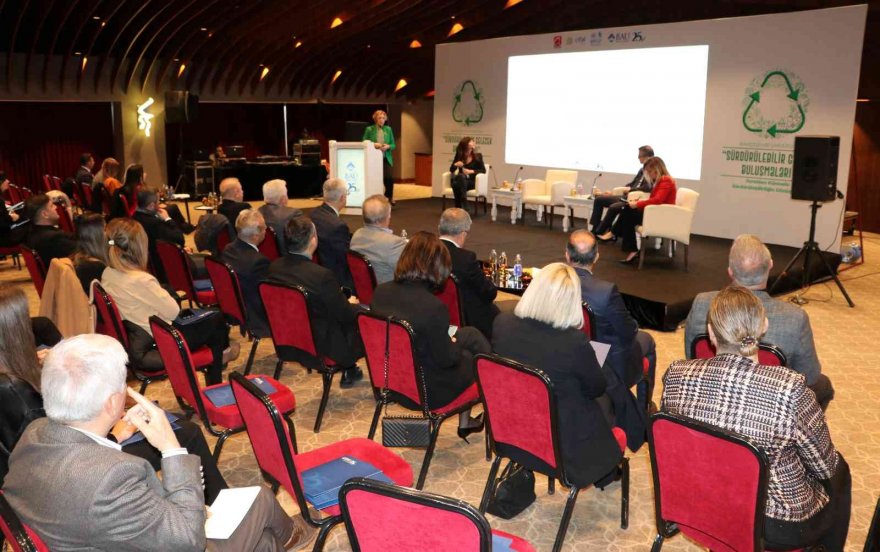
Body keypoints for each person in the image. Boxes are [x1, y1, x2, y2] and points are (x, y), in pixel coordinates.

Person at [3, 333, 314, 550]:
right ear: (113, 403)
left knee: (264, 543)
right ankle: (295, 534)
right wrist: (170, 448)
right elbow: (189, 541)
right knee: (260, 499)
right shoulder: (110, 477)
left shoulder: (35, 434)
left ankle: (281, 540)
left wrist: (114, 436)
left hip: (87, 537)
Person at [0, 286, 229, 504]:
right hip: (83, 468)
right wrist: (114, 436)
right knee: (187, 431)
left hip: (66, 459)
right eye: (24, 319)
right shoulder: (17, 391)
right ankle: (222, 504)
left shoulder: (9, 376)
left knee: (172, 423)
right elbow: (58, 454)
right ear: (14, 331)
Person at [663, 286, 850, 551]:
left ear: (711, 333)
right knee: (840, 470)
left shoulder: (676, 375)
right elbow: (824, 467)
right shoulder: (790, 389)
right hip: (773, 523)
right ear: (764, 326)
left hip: (701, 501)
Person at [492, 263, 623, 487]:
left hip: (511, 428)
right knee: (606, 398)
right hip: (561, 446)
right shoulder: (574, 342)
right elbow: (596, 388)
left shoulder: (502, 323)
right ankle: (606, 466)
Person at [684, 234, 834, 409]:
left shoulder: (702, 303)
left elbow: (691, 359)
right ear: (770, 266)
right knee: (823, 385)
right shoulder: (795, 317)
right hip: (767, 404)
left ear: (730, 271)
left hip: (710, 392)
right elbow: (809, 376)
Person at [371, 231, 489, 439]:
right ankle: (496, 396)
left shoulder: (380, 292)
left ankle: (468, 421)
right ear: (438, 267)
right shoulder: (433, 307)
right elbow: (447, 359)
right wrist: (453, 342)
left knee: (469, 336)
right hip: (429, 392)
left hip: (392, 382)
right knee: (472, 357)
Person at [100, 218, 238, 385]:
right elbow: (173, 311)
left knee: (210, 319)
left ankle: (218, 361)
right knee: (216, 319)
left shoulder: (107, 274)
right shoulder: (140, 279)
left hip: (139, 338)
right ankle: (219, 366)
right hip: (160, 342)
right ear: (139, 247)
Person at [565, 229, 654, 450]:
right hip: (606, 362)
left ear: (567, 254)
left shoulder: (555, 285)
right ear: (596, 256)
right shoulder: (605, 292)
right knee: (648, 341)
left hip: (569, 353)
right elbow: (627, 332)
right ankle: (642, 407)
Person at [268, 216, 364, 387]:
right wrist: (354, 305)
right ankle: (350, 367)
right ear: (313, 240)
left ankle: (350, 369)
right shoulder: (321, 276)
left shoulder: (274, 267)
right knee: (362, 316)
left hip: (287, 337)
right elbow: (345, 315)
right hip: (322, 345)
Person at [600, 156, 677, 263]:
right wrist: (637, 202)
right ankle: (621, 239)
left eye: (650, 171)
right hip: (657, 212)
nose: (649, 174)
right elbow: (656, 199)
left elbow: (658, 200)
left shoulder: (666, 180)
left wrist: (637, 204)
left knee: (627, 211)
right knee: (627, 209)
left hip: (661, 215)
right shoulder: (661, 180)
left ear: (657, 169)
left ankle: (618, 236)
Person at [438, 208, 499, 339]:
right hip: (466, 318)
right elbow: (489, 292)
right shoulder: (465, 258)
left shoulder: (425, 251)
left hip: (436, 312)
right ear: (463, 234)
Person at [222, 209, 271, 338]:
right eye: (264, 228)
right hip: (254, 313)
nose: (266, 230)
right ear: (255, 236)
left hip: (233, 306)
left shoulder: (228, 249)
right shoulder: (259, 262)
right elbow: (266, 296)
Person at [589, 145, 654, 235]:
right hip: (626, 196)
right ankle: (595, 228)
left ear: (647, 157)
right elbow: (633, 183)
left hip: (634, 199)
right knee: (599, 200)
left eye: (639, 155)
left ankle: (600, 231)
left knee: (613, 207)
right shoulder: (642, 169)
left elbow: (648, 187)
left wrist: (631, 190)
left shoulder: (653, 171)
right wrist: (614, 192)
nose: (638, 158)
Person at [350, 194, 406, 285]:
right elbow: (409, 272)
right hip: (388, 291)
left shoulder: (357, 235)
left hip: (364, 289)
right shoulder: (394, 243)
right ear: (388, 216)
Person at [309, 177, 353, 290]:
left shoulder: (313, 213)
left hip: (317, 270)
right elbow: (345, 259)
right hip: (335, 279)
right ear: (342, 198)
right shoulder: (338, 226)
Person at [23, 193, 77, 263]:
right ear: (45, 214)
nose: (56, 207)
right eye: (51, 206)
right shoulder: (53, 238)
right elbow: (84, 250)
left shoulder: (32, 232)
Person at [259, 179, 303, 254]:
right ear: (283, 199)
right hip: (287, 258)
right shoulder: (294, 214)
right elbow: (302, 243)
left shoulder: (255, 214)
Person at [362, 110, 396, 204]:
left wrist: (388, 146)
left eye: (383, 118)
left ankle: (388, 197)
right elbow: (364, 142)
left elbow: (393, 144)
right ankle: (374, 199)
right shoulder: (369, 129)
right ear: (375, 119)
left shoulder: (388, 129)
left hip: (385, 158)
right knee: (375, 180)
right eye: (379, 118)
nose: (381, 120)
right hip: (373, 159)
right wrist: (373, 144)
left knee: (389, 178)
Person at [449, 137, 486, 209]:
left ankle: (459, 207)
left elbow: (483, 170)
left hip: (471, 182)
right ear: (466, 144)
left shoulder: (478, 156)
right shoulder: (459, 155)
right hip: (462, 181)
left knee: (455, 185)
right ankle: (464, 200)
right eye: (471, 141)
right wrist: (456, 164)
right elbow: (451, 170)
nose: (473, 143)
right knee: (460, 177)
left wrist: (470, 171)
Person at [0, 172, 26, 248]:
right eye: (5, 179)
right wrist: (12, 217)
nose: (8, 181)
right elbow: (2, 224)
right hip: (3, 238)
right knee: (30, 227)